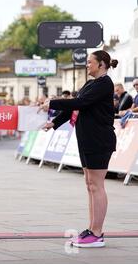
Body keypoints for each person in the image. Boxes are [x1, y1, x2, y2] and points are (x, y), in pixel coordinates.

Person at [39, 50, 118, 248]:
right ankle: (91, 229)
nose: (87, 65)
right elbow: (76, 108)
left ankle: (97, 233)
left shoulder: (105, 83)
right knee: (90, 184)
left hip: (99, 140)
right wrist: (54, 123)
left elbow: (80, 102)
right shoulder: (91, 83)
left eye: (90, 62)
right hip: (87, 140)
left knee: (97, 185)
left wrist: (52, 103)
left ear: (101, 65)